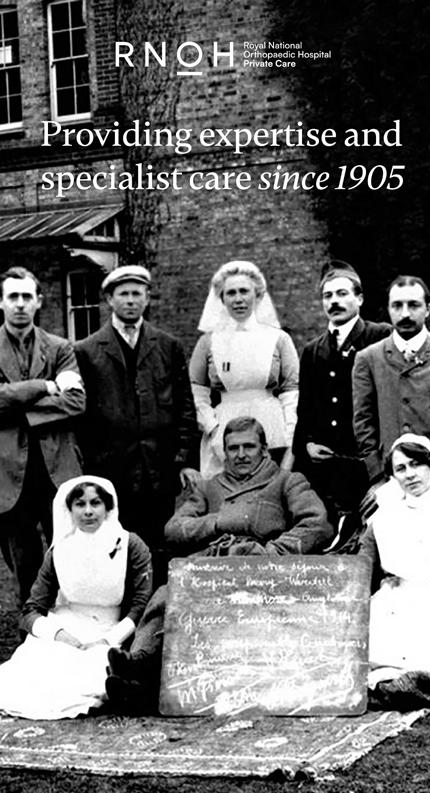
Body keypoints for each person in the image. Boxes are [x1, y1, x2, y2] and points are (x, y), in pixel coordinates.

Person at [104, 416, 333, 712]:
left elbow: (317, 524)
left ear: (264, 449)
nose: (241, 455)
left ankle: (144, 684)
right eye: (233, 448)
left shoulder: (286, 481)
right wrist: (217, 521)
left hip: (262, 568)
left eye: (249, 447)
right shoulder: (209, 487)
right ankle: (139, 665)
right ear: (224, 452)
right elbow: (174, 528)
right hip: (212, 563)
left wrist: (275, 551)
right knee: (167, 593)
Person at [75, 265, 199, 586]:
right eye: (123, 294)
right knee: (116, 544)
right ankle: (123, 606)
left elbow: (185, 406)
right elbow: (83, 418)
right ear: (109, 299)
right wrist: (92, 463)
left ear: (147, 298)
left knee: (159, 543)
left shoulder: (168, 346)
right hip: (112, 468)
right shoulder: (87, 351)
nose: (130, 301)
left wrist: (184, 459)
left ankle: (157, 604)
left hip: (159, 465)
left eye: (137, 294)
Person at [0, 476, 152, 719]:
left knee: (93, 671)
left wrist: (108, 639)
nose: (88, 511)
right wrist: (60, 635)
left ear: (108, 507)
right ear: (69, 509)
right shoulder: (60, 550)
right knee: (37, 672)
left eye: (96, 503)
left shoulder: (130, 545)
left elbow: (141, 604)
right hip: (67, 625)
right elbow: (30, 610)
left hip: (111, 628)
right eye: (80, 504)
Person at [0, 266, 85, 605]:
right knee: (25, 564)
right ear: (1, 302)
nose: (20, 304)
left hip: (56, 469)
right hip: (9, 472)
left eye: (27, 296)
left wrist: (16, 407)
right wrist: (45, 386)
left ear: (39, 301)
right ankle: (32, 627)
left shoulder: (60, 348)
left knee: (67, 558)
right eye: (13, 296)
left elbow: (76, 402)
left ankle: (69, 624)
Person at [292, 261, 391, 545]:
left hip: (368, 464)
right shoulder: (313, 350)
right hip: (326, 469)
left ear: (359, 299)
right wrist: (307, 444)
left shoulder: (379, 336)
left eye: (342, 294)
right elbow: (305, 410)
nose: (334, 301)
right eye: (328, 296)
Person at [189, 260, 299, 478]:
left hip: (270, 423)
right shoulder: (208, 342)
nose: (238, 299)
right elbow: (195, 390)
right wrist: (212, 426)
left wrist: (289, 432)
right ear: (222, 298)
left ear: (257, 295)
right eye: (231, 293)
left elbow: (291, 389)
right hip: (224, 426)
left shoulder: (278, 339)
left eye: (244, 291)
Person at [359, 434, 430, 711]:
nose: (410, 474)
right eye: (401, 468)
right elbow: (371, 563)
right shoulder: (385, 516)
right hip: (401, 595)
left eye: (416, 464)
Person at [353, 275, 430, 489]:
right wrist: (378, 478)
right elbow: (363, 424)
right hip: (393, 482)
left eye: (413, 305)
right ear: (388, 309)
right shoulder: (368, 359)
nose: (405, 314)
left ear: (428, 309)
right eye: (397, 306)